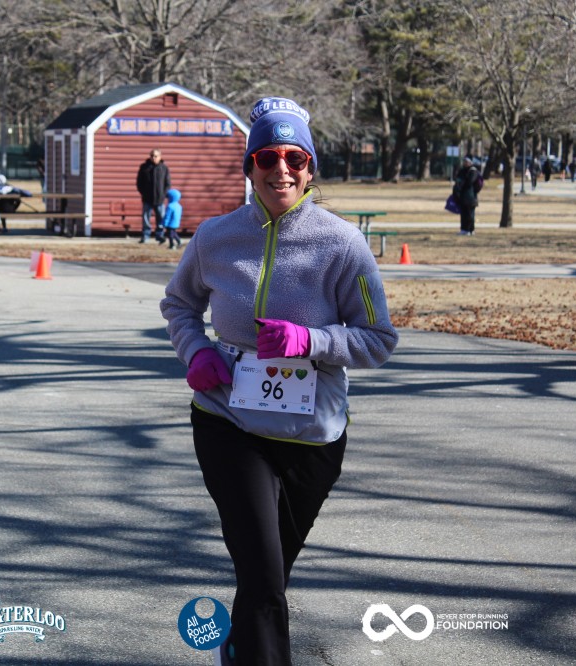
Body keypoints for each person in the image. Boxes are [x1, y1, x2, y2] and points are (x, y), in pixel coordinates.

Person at [159, 97, 398, 666]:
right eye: (267, 156)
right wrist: (197, 351)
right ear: (250, 166)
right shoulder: (215, 237)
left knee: (265, 576)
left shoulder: (342, 244)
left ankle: (238, 645)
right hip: (228, 422)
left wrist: (310, 341)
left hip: (312, 435)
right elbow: (179, 304)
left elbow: (378, 338)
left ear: (311, 168)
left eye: (295, 157)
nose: (281, 169)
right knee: (265, 579)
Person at [136, 148, 170, 243]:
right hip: (147, 199)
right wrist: (144, 193)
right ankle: (146, 235)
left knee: (161, 218)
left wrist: (163, 195)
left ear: (160, 157)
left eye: (155, 156)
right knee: (146, 218)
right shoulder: (144, 167)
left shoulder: (164, 168)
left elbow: (167, 184)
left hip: (159, 199)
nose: (153, 158)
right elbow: (139, 183)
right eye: (152, 156)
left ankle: (160, 235)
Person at [453, 157, 480, 235]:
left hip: (471, 197)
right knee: (463, 214)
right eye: (464, 161)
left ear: (470, 162)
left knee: (470, 214)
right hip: (462, 196)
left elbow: (470, 182)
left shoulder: (473, 171)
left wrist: (462, 182)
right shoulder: (462, 170)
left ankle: (470, 230)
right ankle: (463, 229)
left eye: (466, 161)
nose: (465, 163)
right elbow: (457, 179)